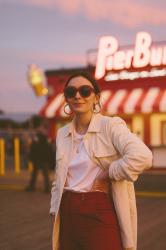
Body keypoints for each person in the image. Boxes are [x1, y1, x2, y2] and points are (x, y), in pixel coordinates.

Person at [50, 73, 153, 250]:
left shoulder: (110, 126)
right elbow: (58, 177)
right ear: (66, 98)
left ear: (96, 97)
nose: (77, 96)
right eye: (71, 91)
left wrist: (112, 171)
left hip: (97, 208)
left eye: (85, 91)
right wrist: (54, 208)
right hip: (66, 211)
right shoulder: (62, 133)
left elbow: (142, 156)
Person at [25, 124, 50, 192]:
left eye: (40, 127)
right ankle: (33, 187)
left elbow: (34, 147)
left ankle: (46, 188)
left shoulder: (41, 137)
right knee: (37, 173)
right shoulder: (42, 137)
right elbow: (34, 147)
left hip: (41, 158)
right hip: (40, 158)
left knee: (43, 174)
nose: (39, 128)